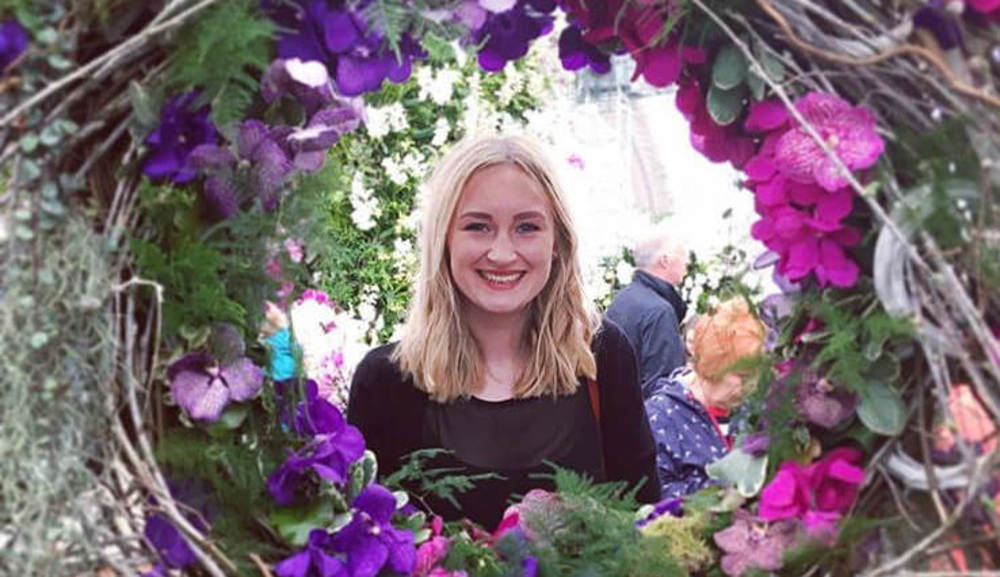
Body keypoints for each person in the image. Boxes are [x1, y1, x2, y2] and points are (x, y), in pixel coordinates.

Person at [347, 134, 660, 529]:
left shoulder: (603, 357)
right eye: (478, 227)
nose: (502, 253)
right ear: (443, 240)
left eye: (527, 227)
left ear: (558, 242)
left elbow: (645, 524)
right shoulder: (387, 381)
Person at [644, 297, 766, 498]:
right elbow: (655, 495)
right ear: (712, 365)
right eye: (742, 376)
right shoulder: (661, 417)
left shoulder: (752, 410)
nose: (751, 386)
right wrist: (721, 492)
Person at [605, 230, 688, 398]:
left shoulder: (621, 300)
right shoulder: (659, 312)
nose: (687, 262)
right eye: (683, 256)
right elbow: (664, 389)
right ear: (664, 260)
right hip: (643, 418)